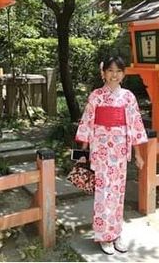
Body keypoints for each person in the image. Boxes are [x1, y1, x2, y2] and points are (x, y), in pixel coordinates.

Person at [75, 56, 147, 255]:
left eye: (118, 71)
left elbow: (134, 127)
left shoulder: (128, 97)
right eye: (110, 71)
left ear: (123, 74)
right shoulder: (96, 96)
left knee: (117, 194)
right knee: (103, 194)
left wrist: (138, 154)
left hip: (120, 151)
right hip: (100, 151)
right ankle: (103, 235)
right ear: (103, 73)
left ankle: (116, 233)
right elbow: (87, 123)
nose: (114, 75)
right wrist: (81, 154)